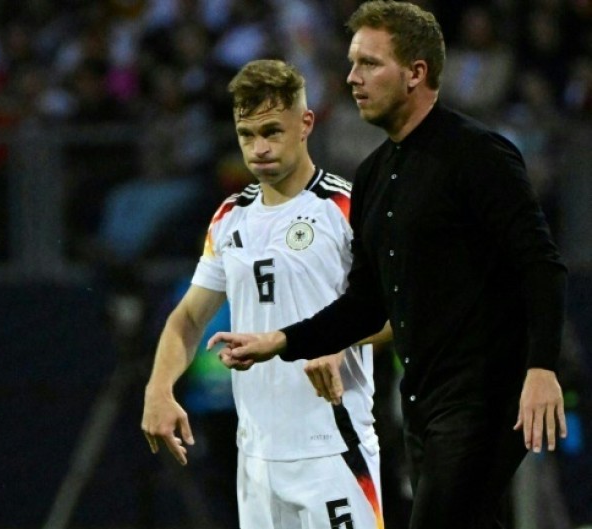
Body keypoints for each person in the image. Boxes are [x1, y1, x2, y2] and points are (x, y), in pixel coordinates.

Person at [209, 3, 569, 529]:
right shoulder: (375, 174)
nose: (352, 78)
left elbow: (540, 263)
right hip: (421, 400)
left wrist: (542, 368)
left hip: (485, 395)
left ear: (416, 73)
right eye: (353, 63)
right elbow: (366, 303)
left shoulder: (478, 154)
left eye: (370, 64)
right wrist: (281, 341)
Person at [141, 59, 390, 529]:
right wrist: (159, 389)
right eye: (246, 134)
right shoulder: (229, 217)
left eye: (272, 131)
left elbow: (403, 311)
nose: (259, 149)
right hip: (255, 459)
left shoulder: (347, 208)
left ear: (306, 124)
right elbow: (188, 318)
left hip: (332, 450)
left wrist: (338, 344)